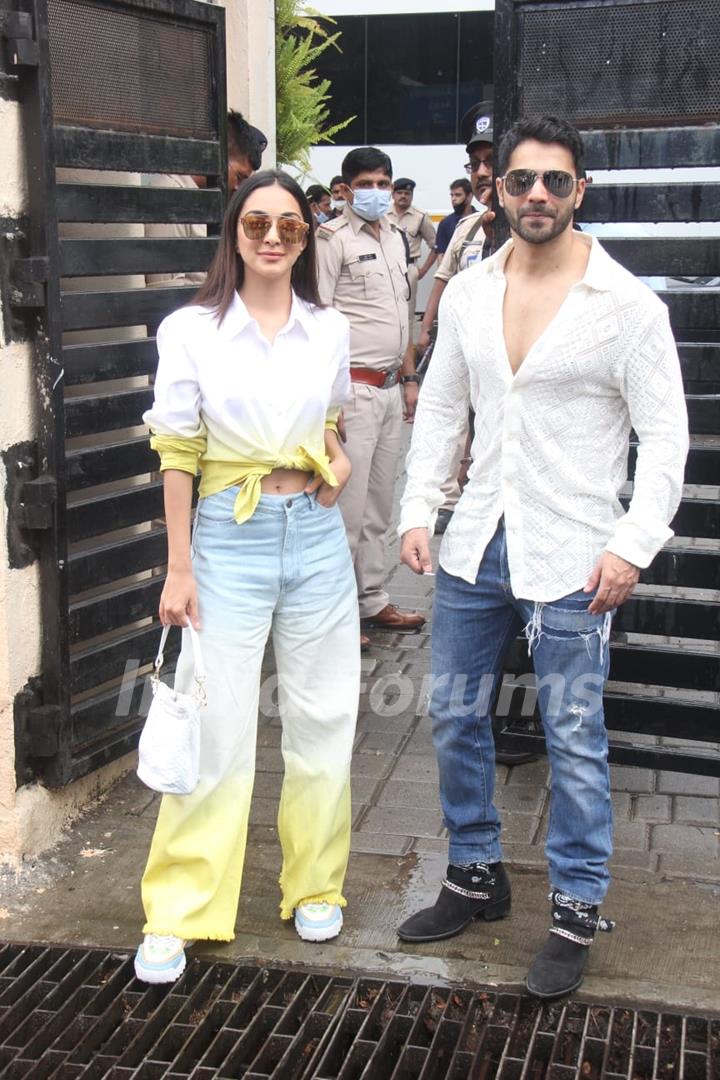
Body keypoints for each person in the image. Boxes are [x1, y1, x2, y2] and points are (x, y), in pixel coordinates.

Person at [397, 116, 688, 999]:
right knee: (452, 716)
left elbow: (666, 440)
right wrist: (418, 509)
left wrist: (631, 546)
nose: (535, 196)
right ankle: (475, 873)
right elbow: (443, 407)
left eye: (554, 183)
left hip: (574, 554)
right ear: (499, 190)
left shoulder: (628, 307)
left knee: (572, 733)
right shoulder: (473, 294)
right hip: (477, 540)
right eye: (520, 181)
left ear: (580, 191)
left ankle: (575, 905)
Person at [135, 169, 360, 984]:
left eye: (290, 228)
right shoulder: (190, 330)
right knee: (217, 725)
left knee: (325, 719)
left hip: (316, 539)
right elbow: (177, 452)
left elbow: (333, 418)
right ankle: (179, 909)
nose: (272, 238)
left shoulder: (326, 329)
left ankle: (314, 884)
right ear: (234, 231)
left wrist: (337, 465)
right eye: (257, 223)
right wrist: (178, 566)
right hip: (227, 542)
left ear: (305, 240)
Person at [315, 147, 426, 650]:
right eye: (367, 183)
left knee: (382, 504)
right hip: (351, 391)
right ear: (344, 189)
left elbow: (402, 315)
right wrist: (326, 409)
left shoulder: (397, 238)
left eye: (384, 183)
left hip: (386, 388)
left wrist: (408, 378)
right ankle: (335, 614)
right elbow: (314, 323)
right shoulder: (330, 240)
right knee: (348, 510)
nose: (378, 192)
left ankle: (372, 598)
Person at [419, 101, 495, 537]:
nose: (482, 173)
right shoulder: (465, 228)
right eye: (476, 164)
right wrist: (426, 332)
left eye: (491, 162)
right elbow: (443, 281)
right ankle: (449, 500)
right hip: (461, 352)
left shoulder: (531, 225)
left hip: (505, 357)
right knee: (452, 423)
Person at [145, 111, 267, 287]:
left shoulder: (209, 200)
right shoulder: (170, 197)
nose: (239, 188)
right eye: (240, 177)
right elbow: (165, 287)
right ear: (217, 156)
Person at [388, 177, 438, 328]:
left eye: (407, 193)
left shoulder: (420, 216)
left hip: (408, 269)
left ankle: (407, 349)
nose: (403, 196)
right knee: (386, 309)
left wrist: (422, 270)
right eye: (400, 193)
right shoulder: (383, 214)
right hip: (385, 267)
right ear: (393, 194)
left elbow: (435, 246)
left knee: (407, 312)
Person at [433, 178, 476, 258]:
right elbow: (441, 255)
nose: (453, 199)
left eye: (458, 195)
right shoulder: (445, 223)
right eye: (452, 195)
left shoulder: (480, 219)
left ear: (469, 196)